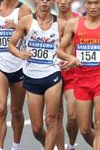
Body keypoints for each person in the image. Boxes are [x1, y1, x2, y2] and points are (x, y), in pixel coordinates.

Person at [57, 0, 100, 149]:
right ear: (85, 5)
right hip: (81, 79)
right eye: (89, 3)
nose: (93, 7)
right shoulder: (73, 24)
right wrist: (71, 58)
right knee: (84, 128)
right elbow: (60, 51)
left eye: (96, 3)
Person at [8, 0, 64, 149]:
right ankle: (48, 144)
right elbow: (11, 44)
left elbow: (68, 47)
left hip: (53, 74)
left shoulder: (61, 24)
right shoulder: (26, 21)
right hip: (32, 76)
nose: (45, 1)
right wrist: (21, 54)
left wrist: (68, 59)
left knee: (51, 120)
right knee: (37, 129)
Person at [0, 0, 31, 150]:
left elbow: (34, 36)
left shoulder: (23, 9)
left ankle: (15, 146)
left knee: (16, 111)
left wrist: (18, 28)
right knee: (0, 108)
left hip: (19, 65)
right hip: (1, 65)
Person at [56, 0, 79, 150]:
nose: (62, 2)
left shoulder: (79, 20)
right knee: (55, 116)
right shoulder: (48, 20)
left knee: (72, 116)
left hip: (72, 72)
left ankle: (71, 145)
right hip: (53, 71)